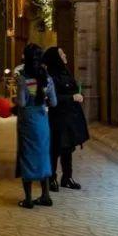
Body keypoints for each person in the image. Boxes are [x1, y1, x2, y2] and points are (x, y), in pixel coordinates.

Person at [14, 43, 56, 209]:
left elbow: (22, 103)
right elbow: (54, 102)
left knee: (27, 156)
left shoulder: (24, 79)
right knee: (43, 155)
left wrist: (14, 100)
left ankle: (28, 199)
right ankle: (45, 195)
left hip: (28, 121)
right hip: (43, 121)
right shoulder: (48, 79)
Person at [42, 46, 89, 191]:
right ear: (56, 58)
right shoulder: (51, 76)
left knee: (68, 148)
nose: (65, 55)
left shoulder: (65, 72)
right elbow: (52, 98)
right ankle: (51, 178)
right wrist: (71, 97)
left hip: (70, 117)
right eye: (61, 54)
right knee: (55, 149)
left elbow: (72, 89)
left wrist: (79, 95)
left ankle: (67, 177)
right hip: (57, 118)